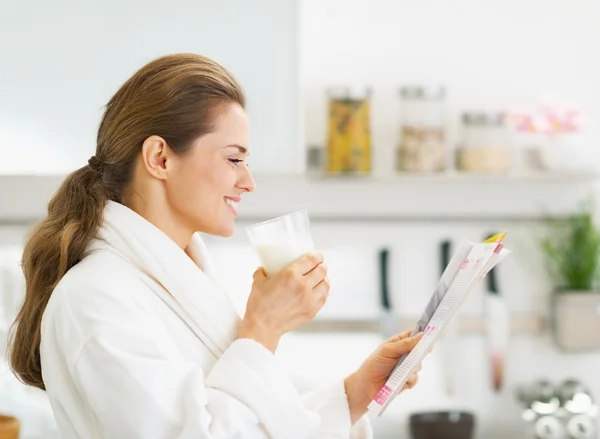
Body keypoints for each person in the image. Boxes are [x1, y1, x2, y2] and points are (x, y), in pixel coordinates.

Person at [8, 53, 424, 439]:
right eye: (233, 159)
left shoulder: (180, 284)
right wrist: (262, 330)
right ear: (160, 158)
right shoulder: (95, 299)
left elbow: (240, 421)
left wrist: (354, 394)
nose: (249, 181)